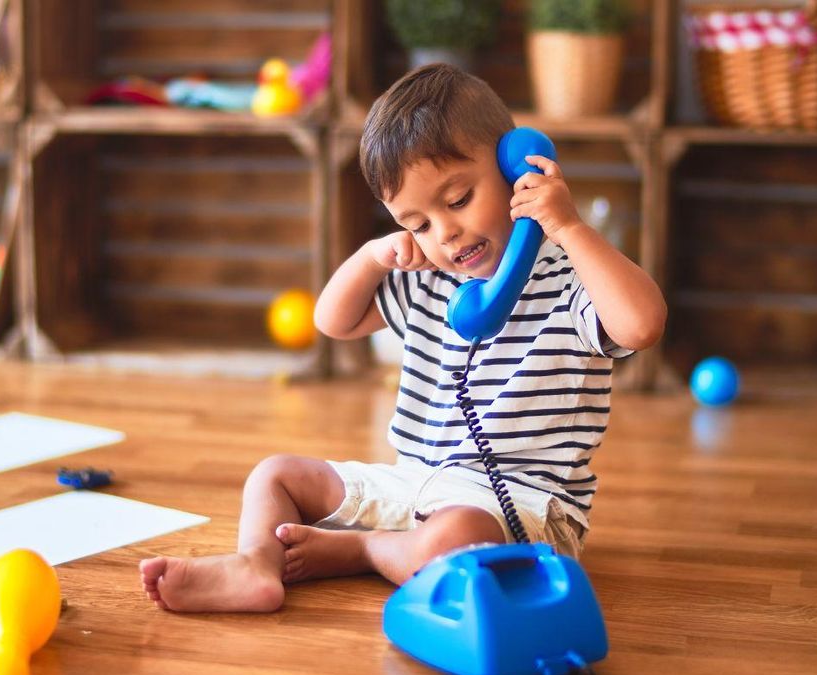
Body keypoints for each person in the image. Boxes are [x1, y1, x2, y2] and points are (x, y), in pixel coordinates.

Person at [140, 64, 666, 613]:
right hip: (411, 482)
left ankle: (365, 550)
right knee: (275, 476)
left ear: (519, 167)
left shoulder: (573, 276)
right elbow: (333, 321)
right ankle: (254, 563)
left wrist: (570, 228)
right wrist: (372, 257)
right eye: (417, 223)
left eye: (458, 199)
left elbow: (641, 325)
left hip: (516, 510)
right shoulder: (430, 280)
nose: (444, 233)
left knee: (454, 539)